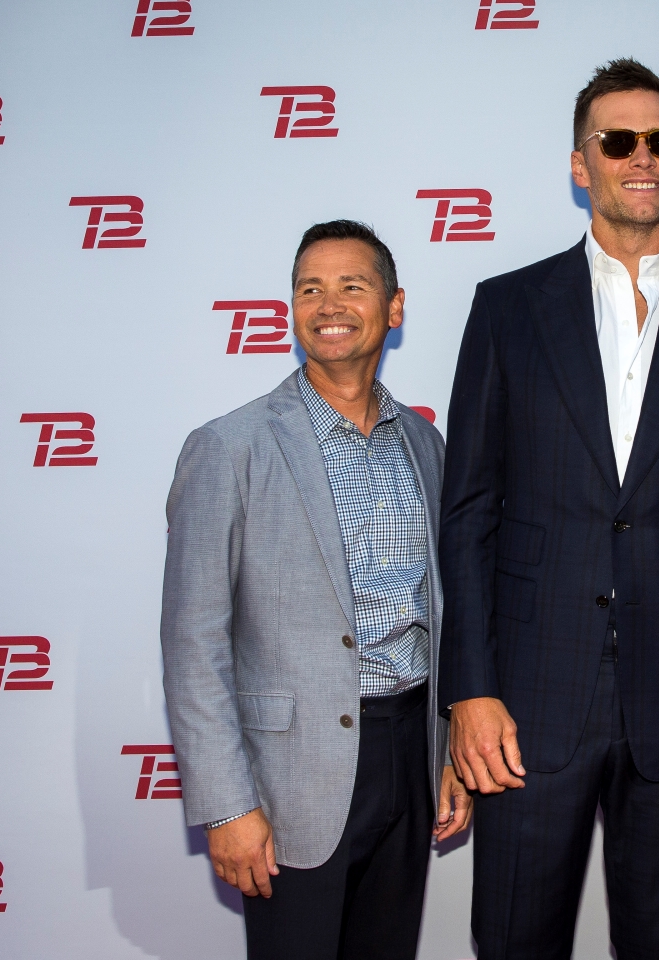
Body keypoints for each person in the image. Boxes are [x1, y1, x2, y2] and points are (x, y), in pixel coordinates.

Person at [438, 58, 659, 960]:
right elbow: (469, 513)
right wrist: (469, 691)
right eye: (618, 141)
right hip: (526, 703)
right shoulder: (507, 309)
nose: (641, 157)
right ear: (581, 163)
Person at [160, 220, 469, 960]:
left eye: (352, 286)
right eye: (310, 288)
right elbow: (192, 643)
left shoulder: (426, 446)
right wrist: (228, 805)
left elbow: (444, 613)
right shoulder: (228, 447)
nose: (329, 303)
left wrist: (447, 748)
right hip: (291, 778)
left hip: (408, 756)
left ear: (394, 308)